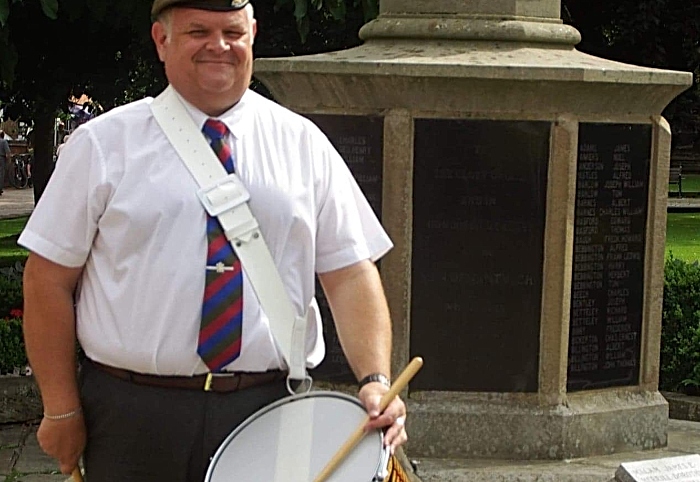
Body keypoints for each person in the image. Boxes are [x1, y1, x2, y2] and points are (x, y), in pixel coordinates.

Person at [18, 1, 408, 481]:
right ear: (161, 41)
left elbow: (349, 274)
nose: (218, 45)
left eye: (232, 31)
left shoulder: (302, 144)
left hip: (269, 409)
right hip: (131, 417)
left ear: (253, 35)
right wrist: (60, 409)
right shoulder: (103, 145)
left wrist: (375, 381)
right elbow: (46, 281)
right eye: (198, 31)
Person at [0, 130, 10, 195]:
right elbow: (7, 152)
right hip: (1, 158)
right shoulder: (4, 142)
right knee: (1, 174)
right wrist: (8, 159)